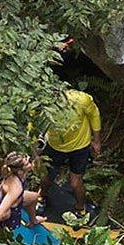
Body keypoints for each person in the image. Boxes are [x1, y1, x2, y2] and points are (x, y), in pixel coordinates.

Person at [41, 88, 102, 219]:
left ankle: (80, 208)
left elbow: (94, 115)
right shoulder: (43, 105)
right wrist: (35, 151)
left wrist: (96, 140)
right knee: (47, 176)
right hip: (55, 146)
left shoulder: (81, 100)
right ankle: (41, 198)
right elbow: (33, 125)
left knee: (75, 182)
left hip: (79, 147)